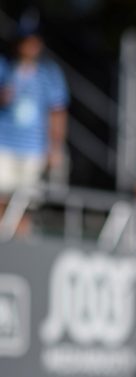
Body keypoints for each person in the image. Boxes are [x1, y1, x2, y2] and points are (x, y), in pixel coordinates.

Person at [0, 13, 68, 221]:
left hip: (33, 150)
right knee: (1, 201)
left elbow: (57, 112)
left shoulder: (50, 73)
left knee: (25, 207)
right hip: (4, 145)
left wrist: (55, 147)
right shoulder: (3, 67)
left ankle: (19, 246)